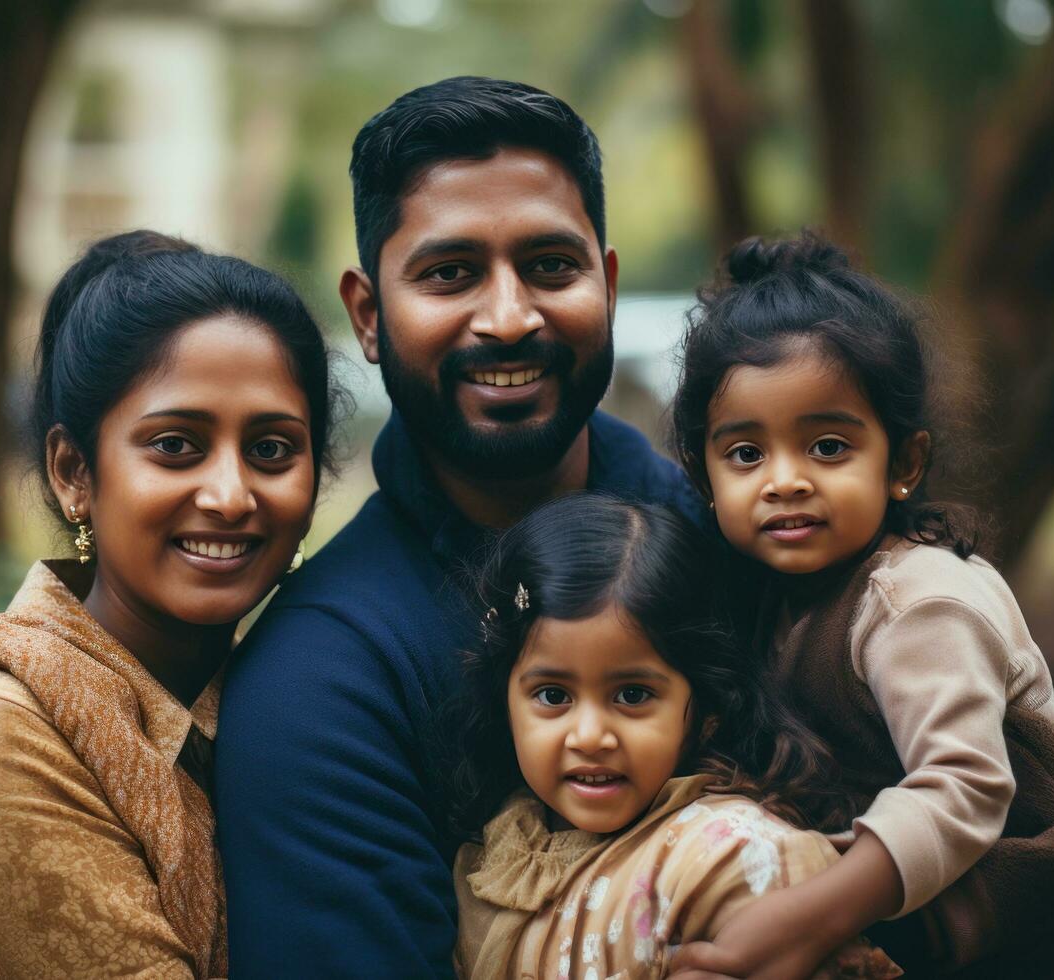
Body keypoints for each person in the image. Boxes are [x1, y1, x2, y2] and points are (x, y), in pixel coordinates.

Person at [216, 77, 705, 977]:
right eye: (450, 274)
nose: (510, 316)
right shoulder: (324, 679)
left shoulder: (736, 543)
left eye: (552, 267)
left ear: (607, 280)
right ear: (369, 316)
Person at [0, 230, 341, 979]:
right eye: (176, 446)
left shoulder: (267, 701)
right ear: (72, 472)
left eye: (273, 449)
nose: (231, 495)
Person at [665, 233, 1054, 978]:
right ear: (706, 472)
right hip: (911, 900)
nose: (784, 480)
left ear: (902, 463)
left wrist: (808, 917)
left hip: (1034, 916)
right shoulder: (771, 595)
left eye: (828, 447)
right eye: (746, 454)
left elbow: (964, 788)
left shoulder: (917, 600)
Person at [449, 493, 900, 980]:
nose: (590, 736)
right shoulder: (491, 856)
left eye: (633, 694)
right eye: (554, 696)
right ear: (505, 700)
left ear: (707, 710)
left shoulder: (737, 859)